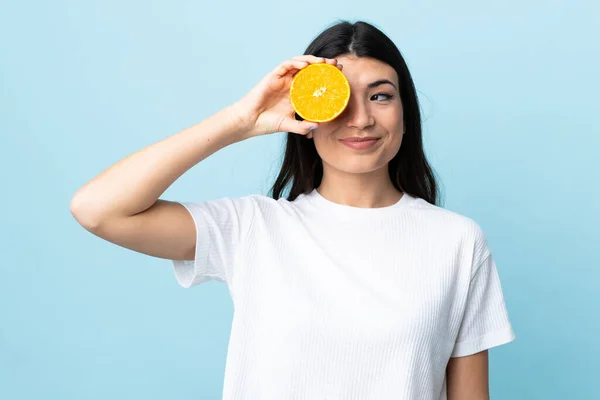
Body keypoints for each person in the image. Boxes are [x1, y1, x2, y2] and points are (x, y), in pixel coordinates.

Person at [71, 20, 515, 400]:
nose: (360, 119)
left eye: (380, 96)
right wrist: (241, 120)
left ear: (405, 110)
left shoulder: (457, 241)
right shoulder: (253, 229)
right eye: (339, 98)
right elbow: (97, 209)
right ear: (308, 109)